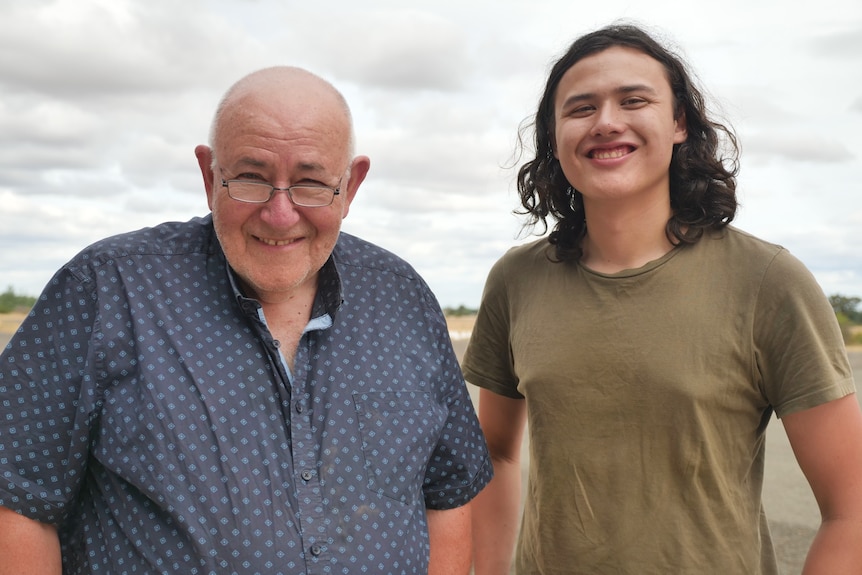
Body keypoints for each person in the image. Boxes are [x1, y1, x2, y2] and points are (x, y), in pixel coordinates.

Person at [0, 66, 492, 574]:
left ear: (351, 185)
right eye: (251, 179)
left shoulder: (403, 298)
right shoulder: (103, 291)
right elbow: (17, 500)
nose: (280, 214)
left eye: (310, 183)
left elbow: (448, 492)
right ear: (209, 174)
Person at [462, 23, 862, 574]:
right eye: (580, 108)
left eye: (633, 100)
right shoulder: (516, 280)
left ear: (679, 123)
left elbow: (852, 510)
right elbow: (497, 452)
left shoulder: (768, 281)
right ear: (554, 137)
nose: (606, 122)